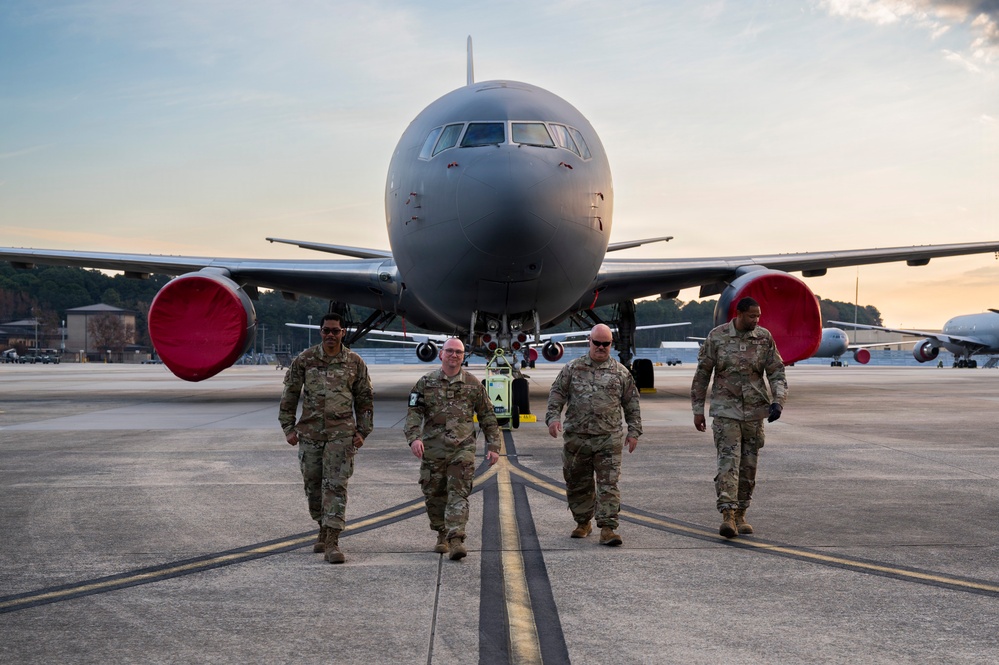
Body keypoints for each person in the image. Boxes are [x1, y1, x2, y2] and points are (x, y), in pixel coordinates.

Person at [279, 313, 373, 564]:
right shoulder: (306, 360)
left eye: (335, 330)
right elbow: (289, 394)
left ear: (343, 332)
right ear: (320, 332)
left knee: (336, 486)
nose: (330, 335)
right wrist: (288, 427)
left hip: (341, 435)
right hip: (310, 434)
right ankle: (321, 525)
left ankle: (332, 540)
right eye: (326, 331)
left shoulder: (354, 362)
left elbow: (364, 398)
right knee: (313, 485)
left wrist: (363, 431)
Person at [691, 296, 788, 538]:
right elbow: (702, 374)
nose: (756, 320)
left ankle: (742, 512)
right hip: (726, 411)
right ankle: (727, 515)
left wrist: (778, 401)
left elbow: (776, 372)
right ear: (739, 313)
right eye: (752, 316)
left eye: (758, 316)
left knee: (748, 466)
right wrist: (697, 410)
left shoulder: (764, 338)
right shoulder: (718, 336)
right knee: (728, 463)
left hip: (755, 413)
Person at [545, 323, 641, 546]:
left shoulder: (621, 373)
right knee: (578, 482)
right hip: (577, 438)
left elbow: (632, 404)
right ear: (589, 341)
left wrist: (634, 431)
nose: (600, 347)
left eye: (605, 344)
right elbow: (557, 393)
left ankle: (608, 528)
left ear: (610, 344)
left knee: (609, 484)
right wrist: (553, 418)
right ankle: (582, 522)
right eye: (596, 343)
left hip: (608, 438)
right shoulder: (572, 368)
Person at [405, 338, 500, 560]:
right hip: (433, 448)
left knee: (458, 493)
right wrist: (414, 438)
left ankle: (456, 538)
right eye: (449, 351)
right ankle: (441, 533)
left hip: (462, 448)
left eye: (458, 352)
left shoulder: (473, 384)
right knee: (434, 493)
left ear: (463, 356)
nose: (454, 355)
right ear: (441, 354)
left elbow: (487, 415)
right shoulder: (425, 383)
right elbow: (414, 412)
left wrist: (494, 445)